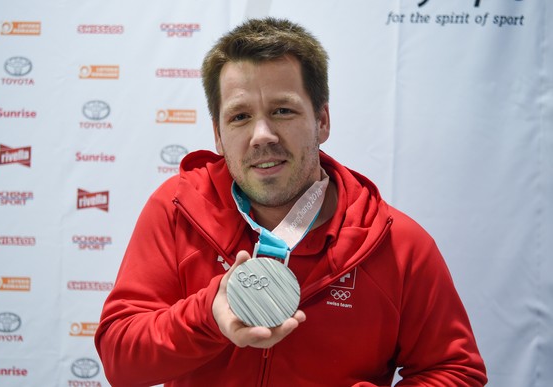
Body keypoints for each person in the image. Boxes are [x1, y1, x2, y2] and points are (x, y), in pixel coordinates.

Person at [95, 17, 487, 386]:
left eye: (282, 111)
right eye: (240, 116)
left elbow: (455, 370)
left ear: (322, 121)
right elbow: (119, 358)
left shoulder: (398, 244)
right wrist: (208, 316)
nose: (261, 134)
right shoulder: (177, 210)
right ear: (217, 134)